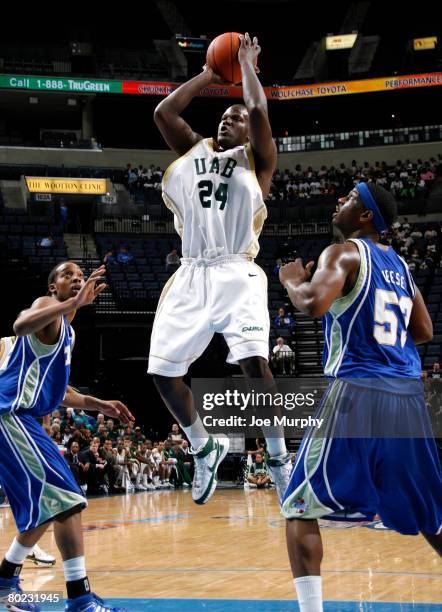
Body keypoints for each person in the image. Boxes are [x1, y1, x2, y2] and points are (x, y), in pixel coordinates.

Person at [278, 182, 442, 611]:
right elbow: (423, 331)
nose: (340, 201)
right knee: (432, 516)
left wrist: (292, 280)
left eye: (350, 197)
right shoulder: (402, 267)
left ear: (366, 215)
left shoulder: (344, 252)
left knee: (298, 507)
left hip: (359, 390)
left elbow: (312, 303)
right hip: (407, 397)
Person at [148, 32, 290, 505]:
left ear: (250, 132)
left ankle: (276, 457)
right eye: (225, 116)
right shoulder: (194, 152)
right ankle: (203, 446)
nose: (230, 119)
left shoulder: (258, 161)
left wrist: (247, 65)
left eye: (238, 118)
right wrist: (209, 75)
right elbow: (164, 113)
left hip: (236, 271)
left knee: (254, 362)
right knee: (163, 373)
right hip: (191, 273)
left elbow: (260, 112)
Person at [0, 261, 133, 612]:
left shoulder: (65, 332)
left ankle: (5, 583)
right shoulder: (45, 309)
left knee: (48, 508)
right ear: (52, 287)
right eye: (67, 275)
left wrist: (96, 403)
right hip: (11, 415)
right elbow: (19, 324)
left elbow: (58, 393)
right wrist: (72, 304)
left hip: (20, 419)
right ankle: (79, 599)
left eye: (79, 276)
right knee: (68, 501)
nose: (75, 279)